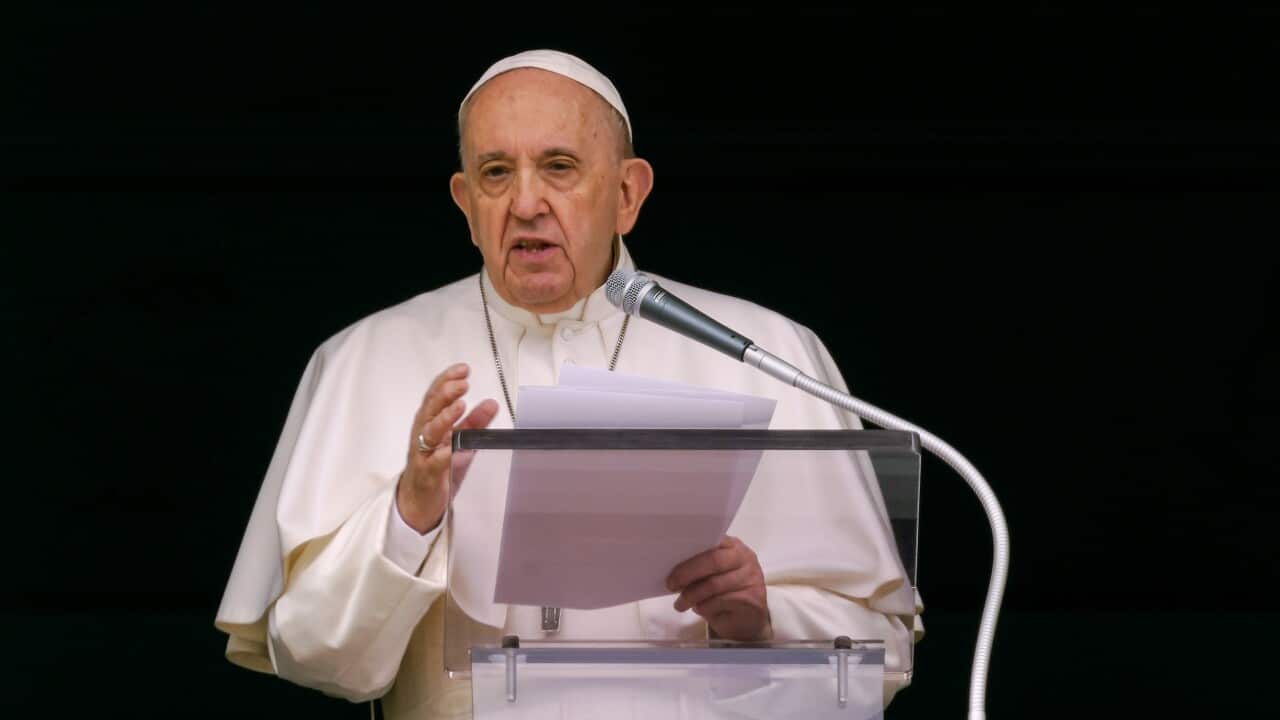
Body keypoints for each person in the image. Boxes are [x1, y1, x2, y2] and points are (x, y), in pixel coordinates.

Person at [215, 49, 920, 719]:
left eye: (558, 167)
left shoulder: (764, 349)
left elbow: (881, 662)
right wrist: (408, 515)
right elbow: (312, 656)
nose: (525, 202)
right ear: (465, 202)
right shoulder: (364, 358)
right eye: (496, 173)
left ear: (626, 193)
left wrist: (764, 616)